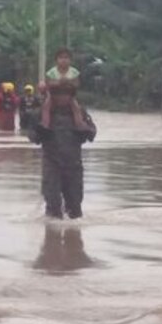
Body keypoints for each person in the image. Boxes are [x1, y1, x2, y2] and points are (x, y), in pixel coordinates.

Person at [28, 82, 96, 220]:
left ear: (71, 96)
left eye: (66, 94)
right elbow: (34, 137)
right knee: (53, 206)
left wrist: (79, 121)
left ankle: (75, 239)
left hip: (74, 165)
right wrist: (45, 122)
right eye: (58, 94)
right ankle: (51, 239)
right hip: (52, 164)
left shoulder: (80, 112)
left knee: (75, 210)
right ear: (52, 96)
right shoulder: (41, 113)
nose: (62, 98)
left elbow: (91, 135)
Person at [43, 48, 80, 128]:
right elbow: (48, 84)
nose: (63, 60)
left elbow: (76, 84)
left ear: (70, 60)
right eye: (61, 58)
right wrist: (59, 82)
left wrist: (68, 82)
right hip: (54, 97)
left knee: (76, 108)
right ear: (56, 60)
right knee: (46, 105)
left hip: (69, 97)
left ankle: (79, 124)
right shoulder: (51, 72)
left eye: (66, 57)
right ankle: (45, 124)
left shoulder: (74, 72)